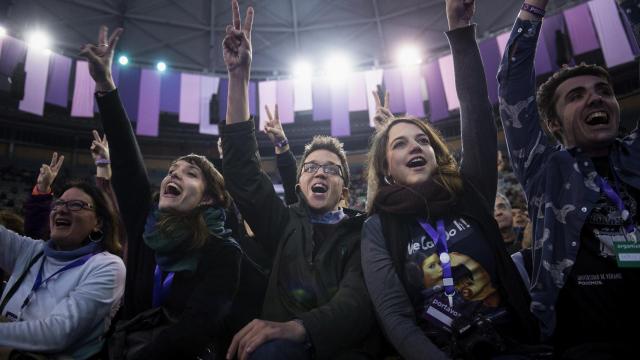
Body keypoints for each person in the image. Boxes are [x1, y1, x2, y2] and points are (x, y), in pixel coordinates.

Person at [361, 1, 538, 359]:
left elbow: (476, 116)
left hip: (514, 346)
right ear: (385, 168)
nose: (416, 146)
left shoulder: (468, 193)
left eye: (423, 140)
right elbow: (395, 318)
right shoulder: (379, 227)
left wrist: (460, 33)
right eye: (400, 144)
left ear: (436, 153)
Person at [221, 1, 375, 359]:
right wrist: (239, 78)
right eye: (311, 168)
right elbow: (242, 172)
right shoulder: (283, 222)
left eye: (332, 169)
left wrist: (297, 329)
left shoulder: (365, 231)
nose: (320, 172)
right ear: (298, 185)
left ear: (345, 192)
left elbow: (357, 300)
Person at [81, 26, 245, 358]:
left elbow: (196, 329)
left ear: (209, 197)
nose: (175, 174)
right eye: (172, 170)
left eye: (190, 173)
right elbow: (128, 165)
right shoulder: (147, 225)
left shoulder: (223, 252)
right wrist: (105, 85)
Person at [498, 0, 640, 357]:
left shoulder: (635, 157)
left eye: (604, 92)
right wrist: (532, 8)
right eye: (576, 96)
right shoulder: (544, 169)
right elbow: (513, 86)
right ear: (554, 124)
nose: (595, 98)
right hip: (576, 344)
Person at [0, 180, 126, 359]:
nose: (61, 209)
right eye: (58, 203)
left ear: (98, 222)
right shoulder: (31, 251)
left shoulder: (107, 266)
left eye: (76, 205)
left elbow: (58, 334)